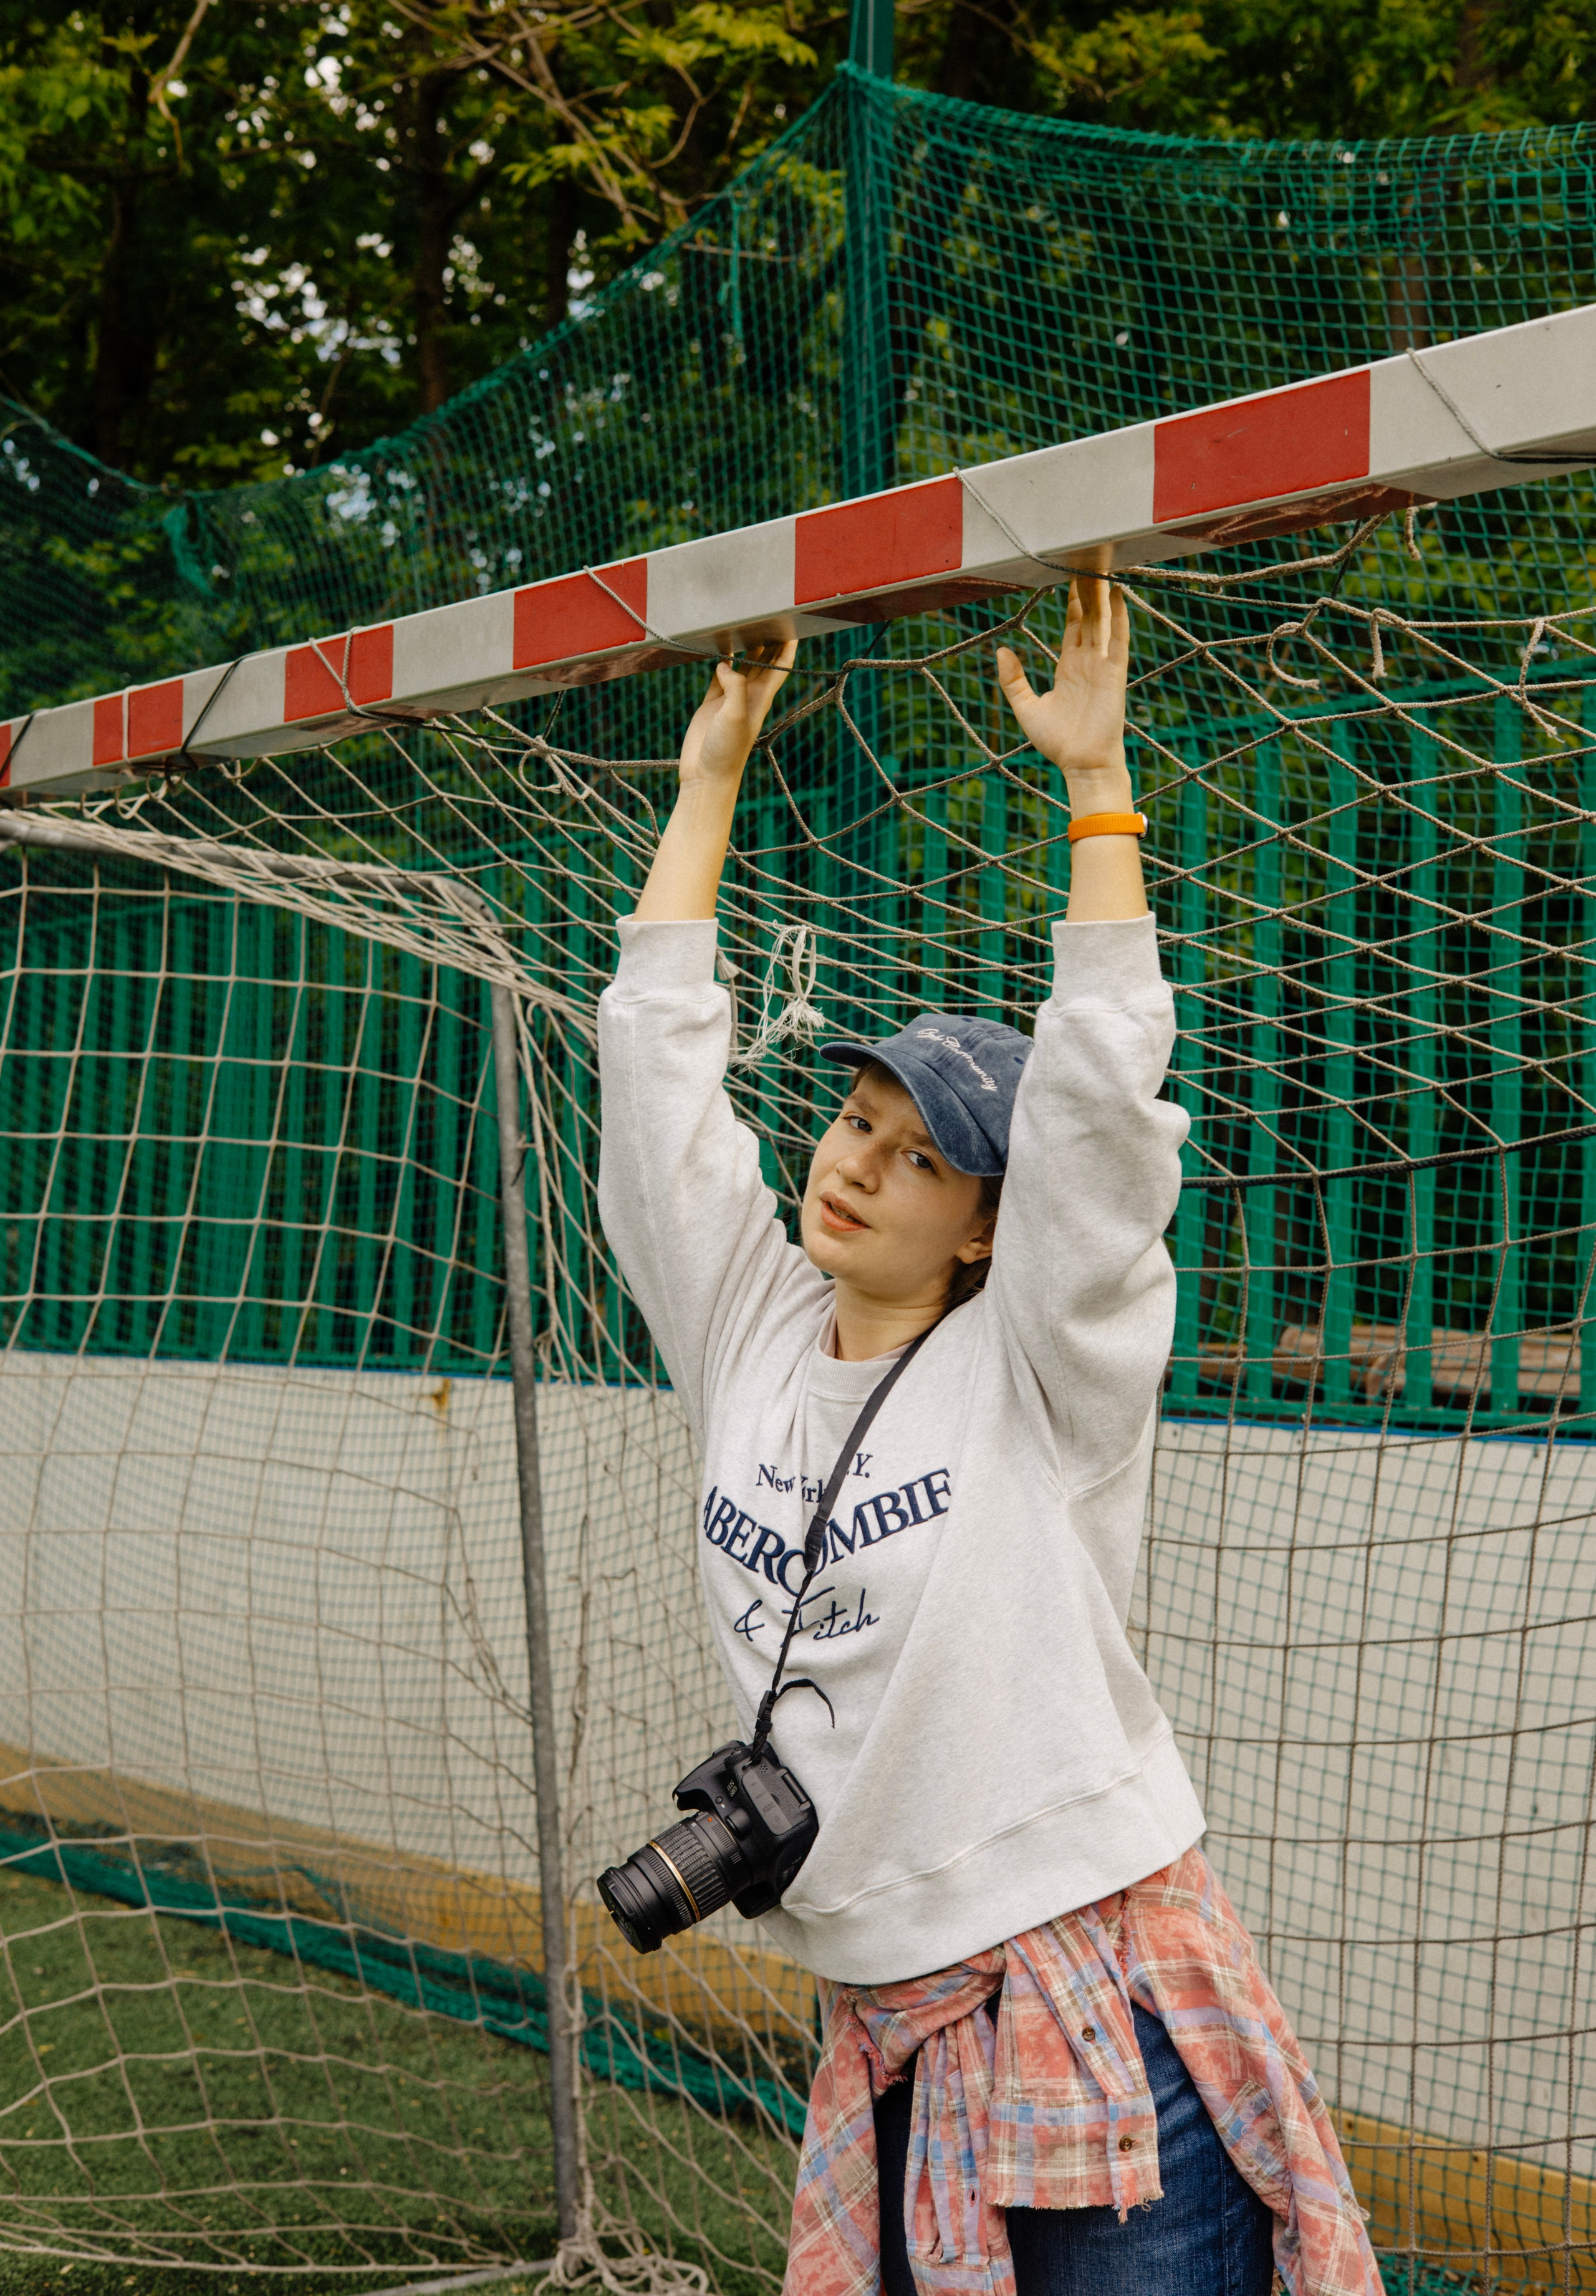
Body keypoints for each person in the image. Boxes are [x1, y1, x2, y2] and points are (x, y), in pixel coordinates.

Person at [596, 575, 1380, 2296]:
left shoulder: (1045, 1366)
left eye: (922, 1156)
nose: (858, 1161)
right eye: (854, 1118)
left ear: (986, 1229)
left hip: (1097, 2001)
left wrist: (1098, 792)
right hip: (887, 2024)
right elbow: (657, 1075)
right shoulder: (749, 1327)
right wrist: (713, 775)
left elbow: (1100, 1108)